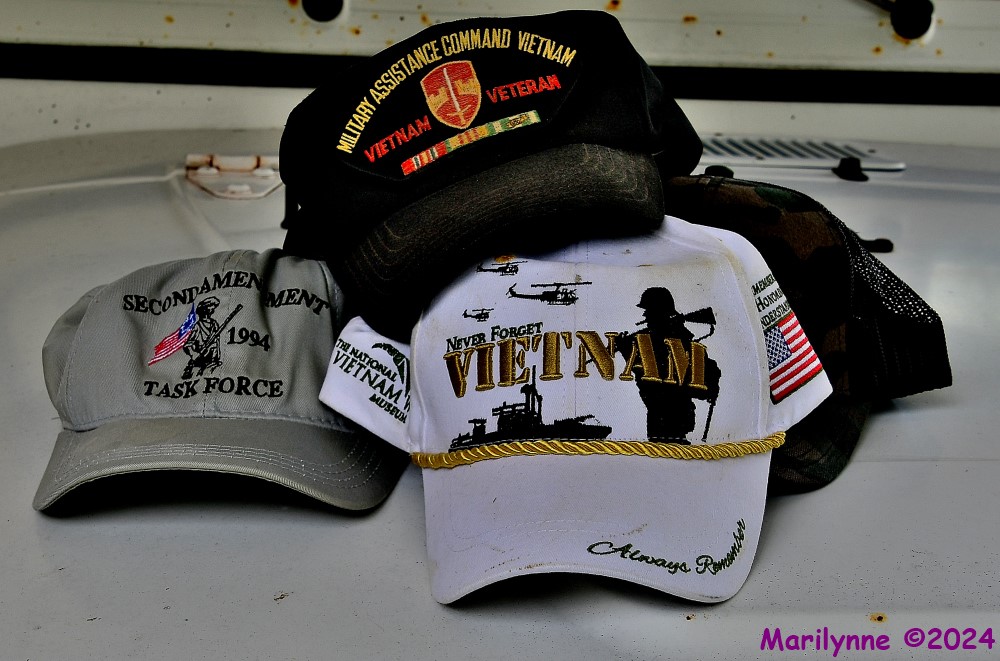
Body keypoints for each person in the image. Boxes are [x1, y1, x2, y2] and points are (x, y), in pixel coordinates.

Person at [619, 287, 721, 443]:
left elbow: (650, 378)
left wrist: (627, 350)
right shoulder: (671, 338)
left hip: (671, 419)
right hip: (668, 420)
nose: (645, 316)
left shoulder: (672, 341)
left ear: (658, 312)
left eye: (648, 311)